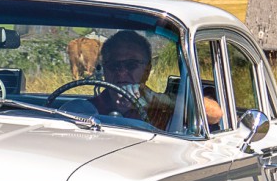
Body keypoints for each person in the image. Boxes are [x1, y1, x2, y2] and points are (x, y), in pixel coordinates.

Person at [64, 31, 223, 130]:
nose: (122, 73)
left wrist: (161, 100)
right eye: (114, 65)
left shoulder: (163, 110)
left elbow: (215, 114)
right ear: (104, 69)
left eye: (131, 65)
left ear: (147, 70)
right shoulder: (82, 110)